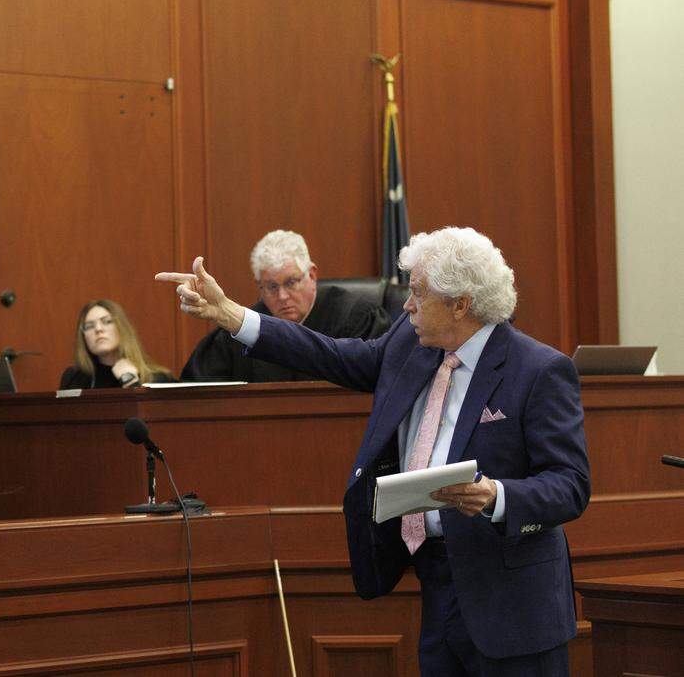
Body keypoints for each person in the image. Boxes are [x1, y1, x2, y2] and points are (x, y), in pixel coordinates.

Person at [158, 227, 589, 675]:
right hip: (436, 581)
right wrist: (233, 316)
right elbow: (331, 354)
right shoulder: (411, 341)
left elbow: (570, 484)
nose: (405, 306)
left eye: (418, 294)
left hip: (513, 601)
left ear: (461, 304)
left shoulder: (540, 370)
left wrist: (497, 496)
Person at [180, 229, 391, 382]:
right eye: (271, 287)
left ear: (312, 274)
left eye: (291, 283)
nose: (282, 296)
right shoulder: (240, 329)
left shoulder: (355, 317)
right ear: (259, 287)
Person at [59, 300, 175, 389]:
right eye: (89, 326)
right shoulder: (74, 379)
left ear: (122, 327)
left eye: (107, 321)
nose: (98, 329)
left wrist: (131, 382)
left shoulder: (158, 379)